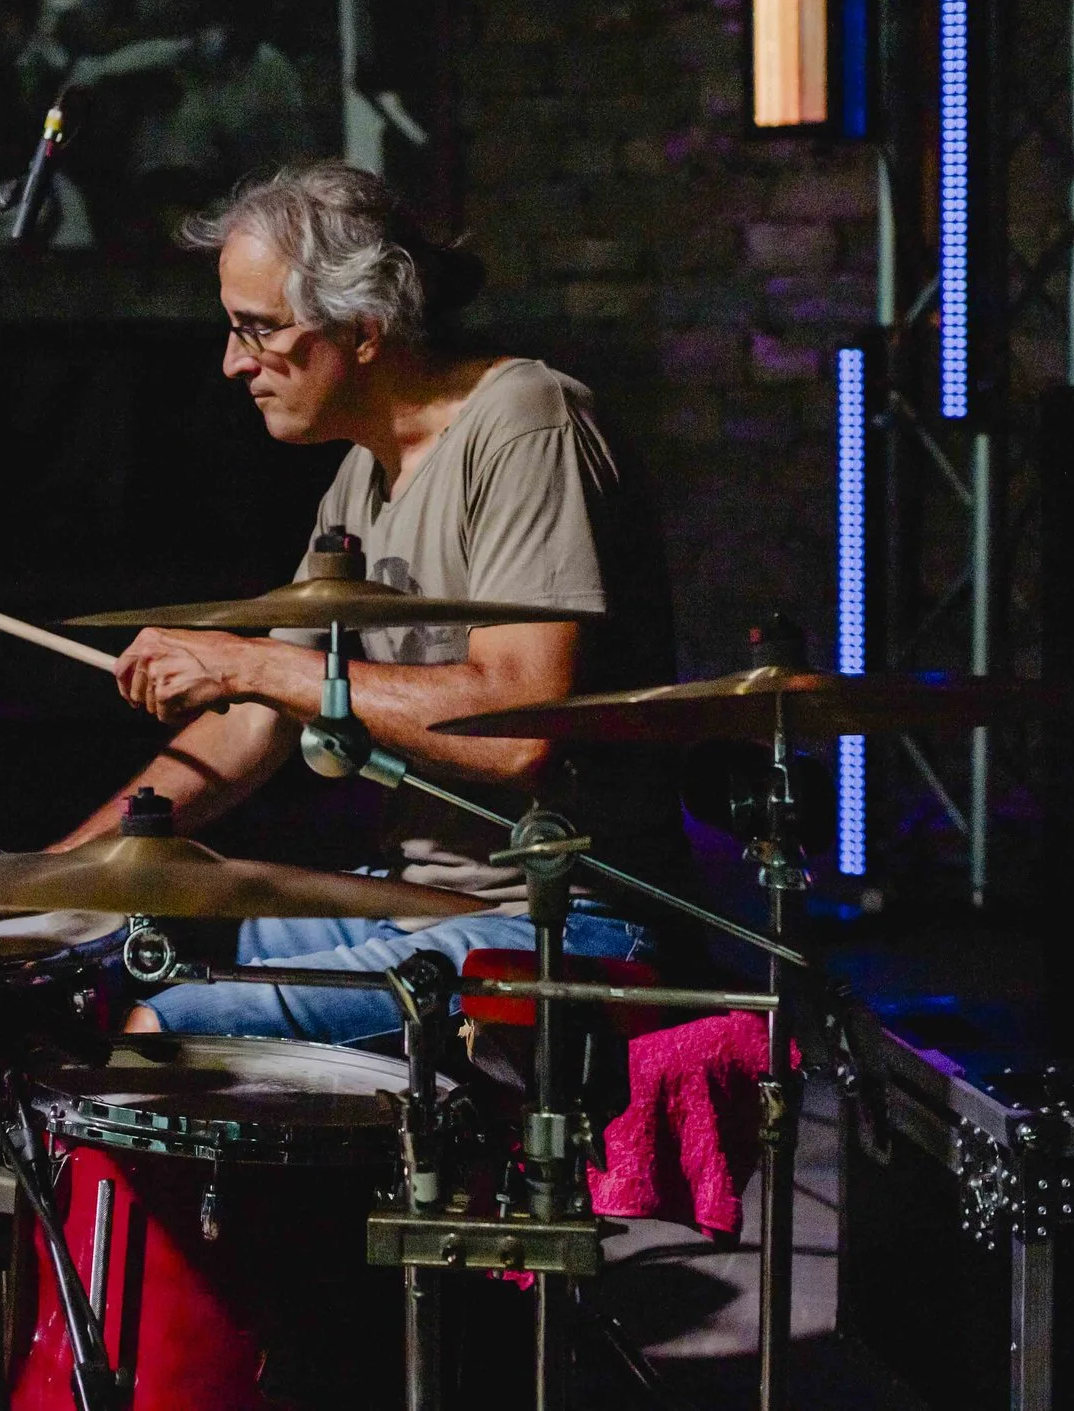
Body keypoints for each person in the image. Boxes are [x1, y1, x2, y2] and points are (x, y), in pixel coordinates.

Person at [47, 159, 687, 1043]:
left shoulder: (527, 424)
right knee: (96, 961)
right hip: (421, 905)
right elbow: (250, 724)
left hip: (558, 924)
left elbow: (521, 725)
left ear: (366, 326)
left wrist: (248, 659)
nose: (234, 362)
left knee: (171, 1024)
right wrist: (60, 878)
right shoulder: (362, 478)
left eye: (258, 329)